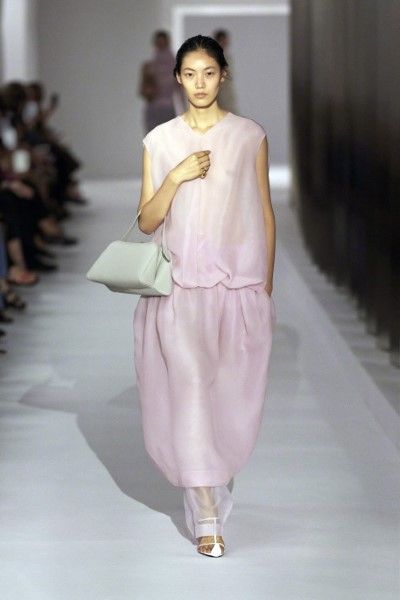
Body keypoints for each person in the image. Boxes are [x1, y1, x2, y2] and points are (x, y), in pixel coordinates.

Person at [133, 34, 276, 558]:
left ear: (223, 75)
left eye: (209, 73)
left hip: (236, 289)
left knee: (227, 399)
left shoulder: (249, 136)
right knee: (191, 392)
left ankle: (211, 487)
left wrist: (265, 286)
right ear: (177, 77)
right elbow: (146, 220)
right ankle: (208, 519)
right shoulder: (159, 141)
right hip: (177, 291)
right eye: (190, 73)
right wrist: (175, 176)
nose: (199, 83)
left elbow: (264, 211)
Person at [139, 30, 185, 133]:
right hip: (154, 109)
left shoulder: (175, 67)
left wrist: (184, 111)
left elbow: (180, 91)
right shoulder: (149, 66)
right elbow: (143, 90)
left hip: (168, 109)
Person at [213, 29, 239, 114]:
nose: (225, 43)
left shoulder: (227, 56)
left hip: (227, 92)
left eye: (225, 40)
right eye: (222, 41)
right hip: (218, 93)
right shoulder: (213, 57)